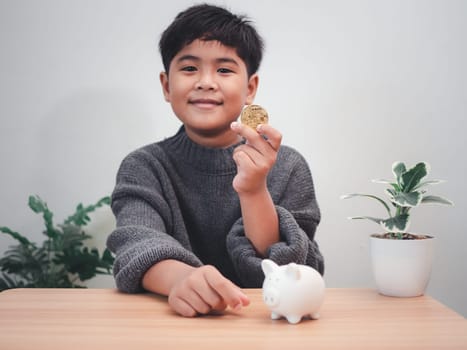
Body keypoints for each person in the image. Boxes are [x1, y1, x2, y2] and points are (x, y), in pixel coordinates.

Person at [106, 3, 324, 317]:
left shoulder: (288, 166)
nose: (206, 82)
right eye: (189, 68)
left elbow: (296, 271)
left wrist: (253, 190)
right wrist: (183, 279)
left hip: (266, 325)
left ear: (250, 88)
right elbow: (137, 246)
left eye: (224, 69)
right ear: (167, 86)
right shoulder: (144, 166)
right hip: (172, 327)